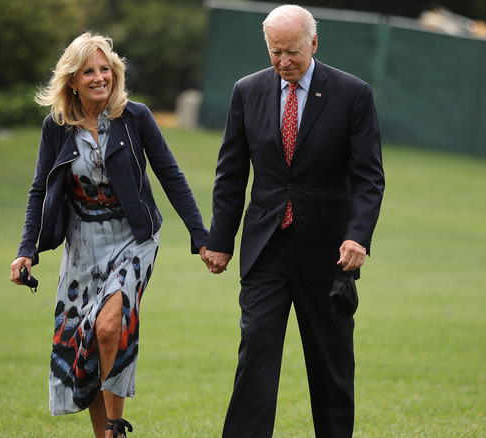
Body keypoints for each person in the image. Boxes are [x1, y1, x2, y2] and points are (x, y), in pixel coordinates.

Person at [10, 32, 208, 438]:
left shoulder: (135, 117)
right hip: (81, 242)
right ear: (72, 81)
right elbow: (38, 190)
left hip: (134, 237)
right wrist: (26, 250)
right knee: (84, 340)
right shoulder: (57, 126)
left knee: (108, 326)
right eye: (89, 71)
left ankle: (116, 425)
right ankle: (105, 435)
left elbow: (171, 175)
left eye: (105, 69)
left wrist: (200, 236)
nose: (100, 77)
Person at [201, 5, 385, 437]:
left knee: (330, 364)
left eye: (293, 51)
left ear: (314, 43)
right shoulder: (246, 91)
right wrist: (220, 239)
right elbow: (231, 173)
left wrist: (358, 237)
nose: (284, 61)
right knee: (256, 354)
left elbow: (368, 178)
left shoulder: (352, 94)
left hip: (328, 254)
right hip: (266, 249)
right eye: (275, 51)